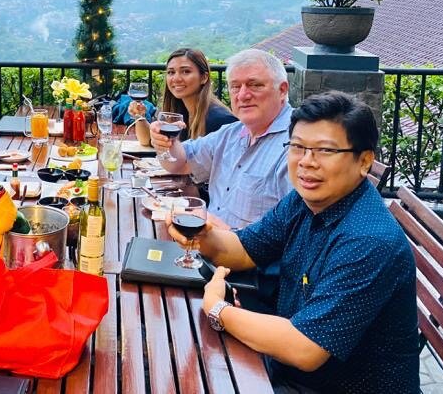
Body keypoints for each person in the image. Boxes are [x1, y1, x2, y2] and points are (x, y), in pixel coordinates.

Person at [169, 91, 419, 393]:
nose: (306, 162)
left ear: (364, 161)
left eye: (325, 151)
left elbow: (306, 348)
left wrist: (219, 310)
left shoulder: (368, 240)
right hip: (288, 369)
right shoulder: (305, 201)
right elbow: (245, 249)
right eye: (298, 147)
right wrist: (203, 237)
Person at [151, 48, 292, 229]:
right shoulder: (231, 133)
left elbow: (295, 235)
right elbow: (178, 163)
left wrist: (224, 238)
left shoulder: (297, 145)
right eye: (235, 86)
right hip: (204, 244)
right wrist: (167, 143)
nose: (242, 95)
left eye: (255, 85)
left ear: (282, 90)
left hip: (243, 255)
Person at [129, 47, 236, 146]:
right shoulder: (178, 110)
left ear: (204, 77)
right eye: (171, 72)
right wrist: (139, 116)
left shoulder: (220, 121)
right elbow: (147, 141)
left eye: (186, 71)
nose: (176, 78)